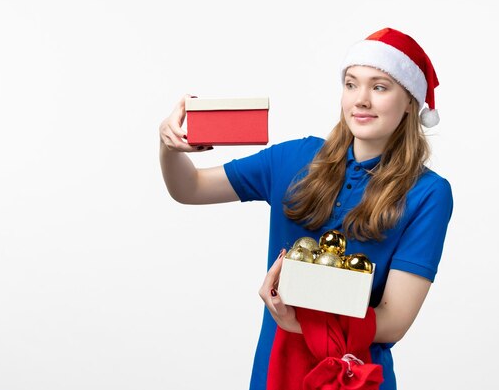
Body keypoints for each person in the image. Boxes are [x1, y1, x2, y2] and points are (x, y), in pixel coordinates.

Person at [159, 27, 453, 390]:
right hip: (275, 371)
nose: (360, 99)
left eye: (379, 87)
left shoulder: (429, 193)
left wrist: (303, 323)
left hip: (354, 376)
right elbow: (189, 188)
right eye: (351, 84)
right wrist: (169, 146)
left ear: (410, 101)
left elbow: (395, 319)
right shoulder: (295, 158)